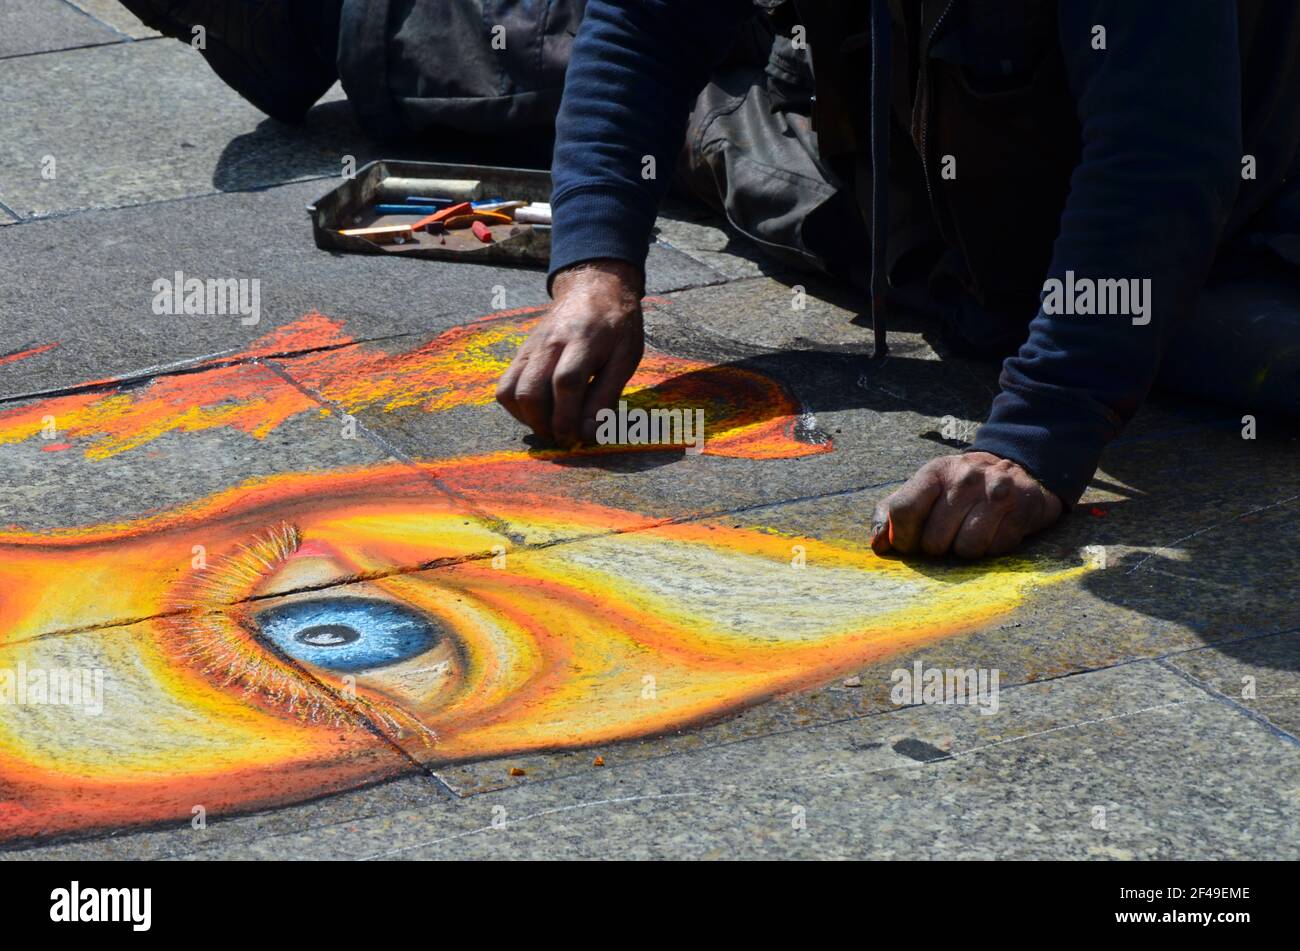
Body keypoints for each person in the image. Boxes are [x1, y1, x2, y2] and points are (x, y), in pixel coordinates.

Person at [120, 1, 1300, 559]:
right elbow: (643, 26)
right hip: (882, 144)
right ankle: (308, 15)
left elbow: (1159, 161)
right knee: (622, 81)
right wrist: (590, 269)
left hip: (1165, 201)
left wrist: (1036, 444)